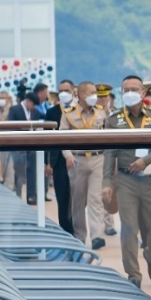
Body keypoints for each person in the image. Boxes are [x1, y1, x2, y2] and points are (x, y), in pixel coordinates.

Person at [103, 76, 151, 286]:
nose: (130, 93)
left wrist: (146, 160)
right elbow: (109, 153)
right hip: (125, 180)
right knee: (129, 229)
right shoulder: (114, 120)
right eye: (126, 90)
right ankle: (133, 275)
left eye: (134, 89)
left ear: (142, 93)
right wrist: (106, 182)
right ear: (122, 93)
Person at [60, 81, 108, 248]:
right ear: (80, 95)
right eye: (91, 93)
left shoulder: (102, 113)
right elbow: (62, 138)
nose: (95, 96)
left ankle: (97, 236)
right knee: (78, 200)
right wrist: (67, 155)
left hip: (97, 158)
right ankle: (80, 235)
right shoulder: (68, 114)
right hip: (77, 160)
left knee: (96, 199)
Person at [42, 80, 76, 235]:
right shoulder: (52, 112)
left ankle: (77, 229)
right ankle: (66, 230)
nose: (64, 93)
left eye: (67, 90)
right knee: (62, 198)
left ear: (74, 91)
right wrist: (47, 162)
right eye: (61, 90)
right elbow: (46, 139)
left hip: (76, 159)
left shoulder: (79, 111)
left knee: (76, 199)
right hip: (58, 162)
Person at [95, 83, 119, 237]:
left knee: (113, 188)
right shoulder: (93, 114)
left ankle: (110, 221)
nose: (103, 99)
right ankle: (105, 222)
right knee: (101, 189)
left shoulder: (116, 114)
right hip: (98, 155)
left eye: (105, 96)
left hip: (114, 156)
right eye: (100, 96)